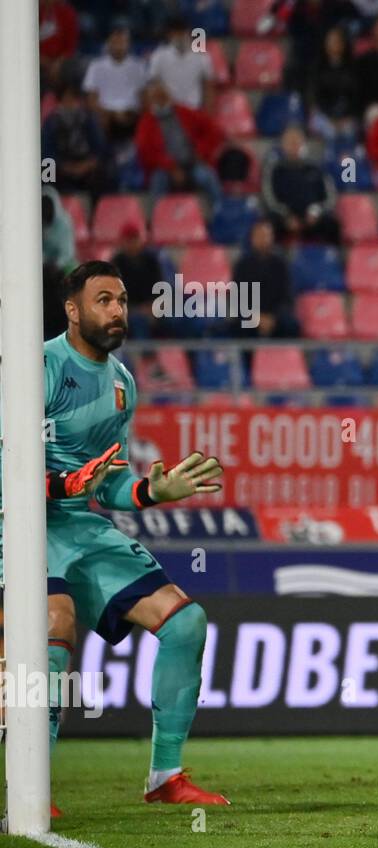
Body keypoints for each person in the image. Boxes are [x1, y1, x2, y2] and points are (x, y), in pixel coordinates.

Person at [0, 261, 229, 814]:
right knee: (54, 621)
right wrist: (60, 482)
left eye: (122, 300)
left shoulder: (123, 382)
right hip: (21, 517)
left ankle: (164, 775)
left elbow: (110, 482)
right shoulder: (39, 366)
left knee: (186, 621)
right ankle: (33, 789)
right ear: (72, 310)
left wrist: (154, 491)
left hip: (77, 524)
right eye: (104, 299)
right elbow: (10, 462)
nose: (117, 311)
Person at [262, 126, 341, 245]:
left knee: (333, 224)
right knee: (268, 225)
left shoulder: (316, 168)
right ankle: (276, 260)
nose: (294, 145)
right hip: (284, 218)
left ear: (303, 144)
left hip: (312, 217)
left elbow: (330, 197)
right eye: (290, 141)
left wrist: (315, 212)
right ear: (283, 144)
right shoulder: (274, 170)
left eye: (297, 141)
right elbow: (270, 199)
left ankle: (329, 259)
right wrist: (286, 216)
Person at [82, 23, 149, 144]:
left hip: (131, 113)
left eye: (122, 42)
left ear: (128, 44)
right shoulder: (96, 66)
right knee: (97, 120)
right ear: (108, 43)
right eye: (115, 42)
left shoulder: (138, 65)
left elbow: (144, 97)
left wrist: (133, 113)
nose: (118, 46)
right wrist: (109, 113)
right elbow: (91, 99)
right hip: (106, 114)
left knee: (146, 118)